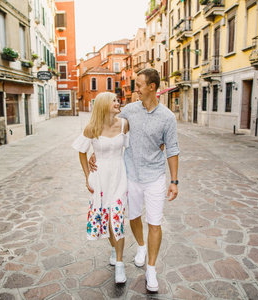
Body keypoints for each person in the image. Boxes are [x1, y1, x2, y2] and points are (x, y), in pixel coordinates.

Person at [90, 68, 180, 292]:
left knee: (155, 223)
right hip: (130, 175)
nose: (134, 89)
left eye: (138, 85)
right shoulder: (129, 110)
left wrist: (174, 181)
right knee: (134, 218)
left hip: (155, 176)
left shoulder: (168, 117)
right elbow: (109, 126)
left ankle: (151, 269)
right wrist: (96, 150)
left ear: (151, 87)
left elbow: (173, 149)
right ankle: (141, 246)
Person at [72, 92, 129, 284]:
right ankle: (114, 248)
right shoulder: (92, 127)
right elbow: (81, 151)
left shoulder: (124, 124)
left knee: (117, 217)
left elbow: (131, 149)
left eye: (117, 100)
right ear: (104, 105)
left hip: (120, 176)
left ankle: (120, 265)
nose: (117, 102)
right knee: (105, 215)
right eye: (113, 100)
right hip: (101, 178)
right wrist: (88, 174)